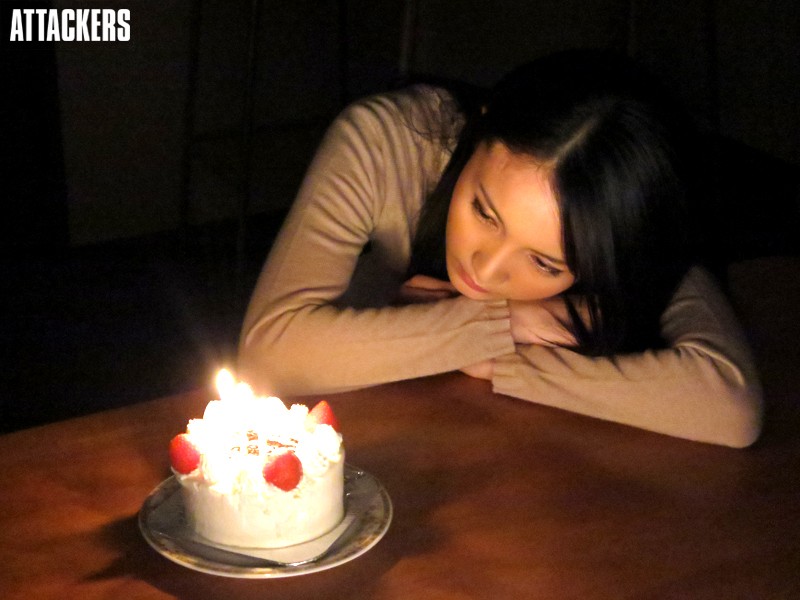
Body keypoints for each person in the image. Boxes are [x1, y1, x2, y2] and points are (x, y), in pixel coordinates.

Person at [237, 49, 763, 448]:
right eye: (484, 212)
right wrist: (503, 323)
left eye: (544, 263)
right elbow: (269, 356)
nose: (486, 271)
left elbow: (730, 409)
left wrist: (505, 353)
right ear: (483, 126)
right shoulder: (388, 141)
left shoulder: (633, 223)